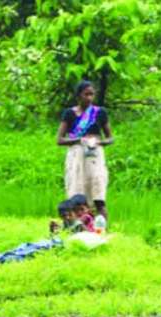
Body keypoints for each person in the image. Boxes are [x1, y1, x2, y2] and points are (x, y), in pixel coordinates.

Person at [57, 80, 114, 224]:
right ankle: (76, 227)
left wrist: (98, 142)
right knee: (77, 192)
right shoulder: (69, 114)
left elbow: (110, 138)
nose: (89, 98)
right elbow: (60, 140)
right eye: (86, 94)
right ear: (78, 96)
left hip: (95, 156)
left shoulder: (100, 113)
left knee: (98, 192)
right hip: (77, 157)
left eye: (92, 94)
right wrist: (79, 140)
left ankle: (101, 229)